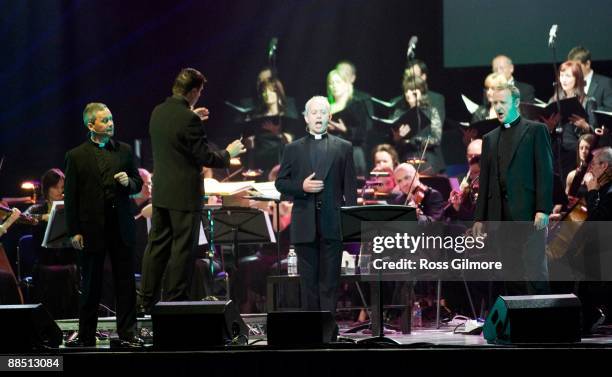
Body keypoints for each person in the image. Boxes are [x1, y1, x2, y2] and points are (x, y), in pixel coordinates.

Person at [139, 68, 245, 312]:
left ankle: (146, 300)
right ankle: (175, 302)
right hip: (184, 195)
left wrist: (191, 116)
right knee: (182, 250)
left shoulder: (159, 111)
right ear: (194, 91)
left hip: (163, 192)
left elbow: (173, 136)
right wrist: (230, 153)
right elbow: (204, 156)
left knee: (156, 246)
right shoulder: (188, 119)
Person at [64, 102, 143, 347]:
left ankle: (128, 333)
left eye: (111, 119)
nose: (110, 124)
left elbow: (138, 183)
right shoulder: (76, 156)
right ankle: (86, 336)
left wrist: (128, 182)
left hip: (120, 225)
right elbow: (71, 197)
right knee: (91, 284)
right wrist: (74, 230)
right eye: (104, 120)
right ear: (91, 125)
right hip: (91, 228)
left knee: (126, 283)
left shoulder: (124, 150)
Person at [275, 96, 357, 313]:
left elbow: (350, 191)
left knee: (329, 283)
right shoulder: (293, 149)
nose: (318, 116)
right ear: (306, 117)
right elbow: (280, 183)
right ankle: (312, 332)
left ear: (329, 117)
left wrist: (350, 228)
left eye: (323, 112)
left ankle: (329, 330)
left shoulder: (344, 147)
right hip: (304, 225)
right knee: (308, 284)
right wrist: (301, 186)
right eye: (314, 112)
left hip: (333, 225)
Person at [472, 84, 553, 294]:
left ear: (516, 103)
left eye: (502, 103)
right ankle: (518, 322)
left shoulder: (535, 130)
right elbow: (486, 180)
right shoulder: (490, 139)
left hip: (528, 213)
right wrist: (480, 218)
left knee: (535, 270)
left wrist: (543, 209)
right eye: (494, 103)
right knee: (511, 271)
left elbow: (544, 172)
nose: (498, 107)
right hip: (501, 216)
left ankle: (542, 318)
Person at [24, 168, 79, 319]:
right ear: (47, 189)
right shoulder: (37, 208)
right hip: (45, 263)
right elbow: (24, 218)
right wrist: (44, 217)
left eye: (62, 187)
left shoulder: (70, 207)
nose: (60, 191)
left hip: (68, 261)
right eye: (56, 187)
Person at [542, 60, 597, 184]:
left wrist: (586, 126)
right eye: (561, 76)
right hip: (556, 150)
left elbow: (597, 131)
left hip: (575, 151)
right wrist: (549, 126)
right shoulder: (554, 99)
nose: (564, 80)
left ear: (577, 78)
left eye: (568, 76)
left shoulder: (588, 101)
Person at [390, 74, 445, 174]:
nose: (408, 93)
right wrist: (398, 138)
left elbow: (436, 139)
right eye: (406, 90)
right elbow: (393, 139)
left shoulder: (431, 111)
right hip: (405, 158)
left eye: (412, 90)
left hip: (428, 159)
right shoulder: (399, 112)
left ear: (421, 92)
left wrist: (414, 140)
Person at [326, 68, 371, 177]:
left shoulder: (356, 104)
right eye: (331, 83)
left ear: (346, 84)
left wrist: (345, 130)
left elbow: (363, 133)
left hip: (352, 153)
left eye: (338, 82)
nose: (334, 86)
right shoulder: (326, 106)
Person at [568, 46, 612, 111]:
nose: (574, 70)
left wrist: (589, 110)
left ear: (587, 64)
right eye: (571, 66)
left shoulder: (605, 83)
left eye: (577, 66)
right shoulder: (570, 82)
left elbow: (610, 110)